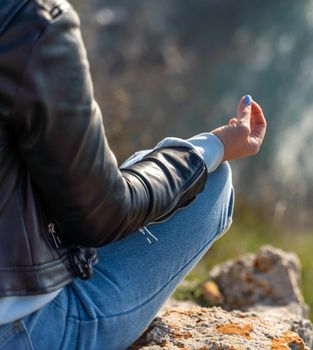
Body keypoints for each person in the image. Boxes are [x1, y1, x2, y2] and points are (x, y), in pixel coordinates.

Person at [0, 0, 267, 349]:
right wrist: (212, 148)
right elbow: (102, 216)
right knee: (211, 183)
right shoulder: (29, 21)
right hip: (22, 330)